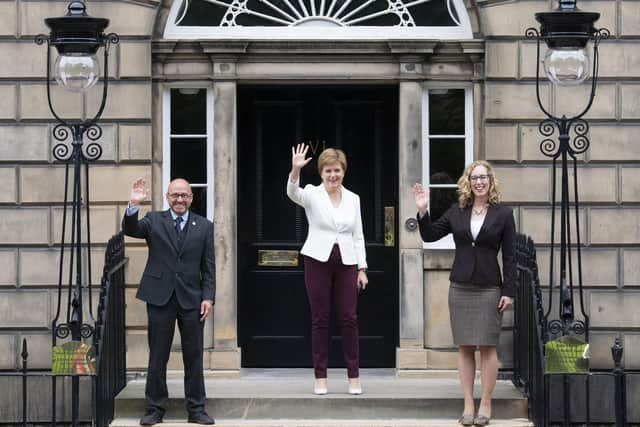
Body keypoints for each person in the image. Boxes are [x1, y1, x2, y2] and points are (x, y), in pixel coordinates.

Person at [412, 160, 515, 426]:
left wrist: (509, 290)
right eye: (474, 177)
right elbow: (431, 235)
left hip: (490, 286)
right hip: (460, 287)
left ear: (491, 181)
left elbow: (512, 257)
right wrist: (423, 211)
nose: (479, 182)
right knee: (465, 346)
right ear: (468, 182)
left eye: (484, 177)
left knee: (488, 347)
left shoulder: (503, 214)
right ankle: (468, 403)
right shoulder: (457, 211)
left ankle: (486, 403)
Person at [123, 177, 215, 425]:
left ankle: (196, 409)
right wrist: (134, 204)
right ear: (167, 196)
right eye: (175, 195)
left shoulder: (204, 226)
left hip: (192, 299)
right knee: (158, 355)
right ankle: (154, 409)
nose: (180, 199)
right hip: (160, 296)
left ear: (191, 198)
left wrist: (208, 297)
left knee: (194, 356)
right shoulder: (154, 220)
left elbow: (209, 267)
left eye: (184, 195)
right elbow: (131, 230)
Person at [286, 144, 368, 395]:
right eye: (328, 171)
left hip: (346, 262)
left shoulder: (353, 198)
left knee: (349, 319)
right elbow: (292, 193)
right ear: (321, 173)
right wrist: (295, 170)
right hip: (317, 260)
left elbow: (358, 235)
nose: (333, 175)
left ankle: (353, 376)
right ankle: (320, 377)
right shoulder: (312, 194)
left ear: (343, 172)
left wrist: (361, 268)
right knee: (320, 319)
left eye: (337, 170)